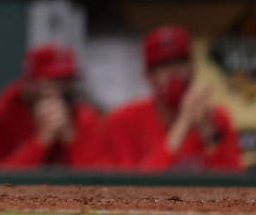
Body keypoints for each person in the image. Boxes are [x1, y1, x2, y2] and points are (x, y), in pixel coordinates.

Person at [104, 25, 243, 170]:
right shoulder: (124, 119)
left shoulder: (217, 118)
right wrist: (184, 122)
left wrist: (208, 132)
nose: (174, 72)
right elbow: (133, 187)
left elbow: (234, 184)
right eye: (164, 64)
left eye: (181, 62)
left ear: (192, 69)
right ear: (149, 76)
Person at [0, 43, 107, 169]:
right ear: (29, 82)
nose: (60, 89)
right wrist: (41, 140)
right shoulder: (1, 114)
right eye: (52, 80)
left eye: (66, 80)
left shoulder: (85, 116)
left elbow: (98, 177)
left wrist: (70, 137)